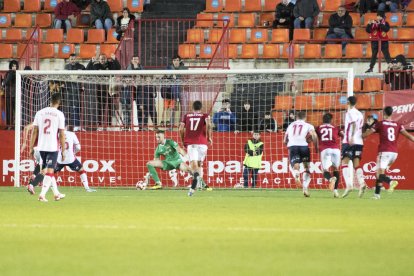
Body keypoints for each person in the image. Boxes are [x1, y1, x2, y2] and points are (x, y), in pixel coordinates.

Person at [363, 106, 414, 199]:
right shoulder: (398, 124)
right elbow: (409, 136)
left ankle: (391, 182)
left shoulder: (380, 123)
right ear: (392, 113)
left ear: (384, 113)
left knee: (379, 174)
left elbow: (367, 134)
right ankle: (377, 195)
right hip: (394, 153)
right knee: (380, 173)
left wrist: (361, 133)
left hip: (384, 151)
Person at [29, 93, 66, 202]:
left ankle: (56, 194)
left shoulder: (40, 112)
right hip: (52, 147)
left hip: (41, 147)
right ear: (59, 102)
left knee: (47, 171)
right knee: (49, 171)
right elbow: (62, 134)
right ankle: (41, 195)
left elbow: (34, 131)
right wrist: (63, 151)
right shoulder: (59, 114)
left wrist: (31, 147)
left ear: (50, 100)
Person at [179, 101, 213, 196]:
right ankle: (200, 184)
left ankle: (193, 186)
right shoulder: (205, 115)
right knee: (199, 164)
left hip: (191, 143)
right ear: (201, 108)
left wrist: (182, 141)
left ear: (192, 107)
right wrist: (209, 137)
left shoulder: (186, 116)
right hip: (203, 144)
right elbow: (209, 125)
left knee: (193, 166)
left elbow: (180, 129)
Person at [284, 111, 318, 197]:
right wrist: (316, 146)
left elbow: (285, 140)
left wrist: (289, 144)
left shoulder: (290, 125)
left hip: (293, 147)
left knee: (295, 165)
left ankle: (296, 174)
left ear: (296, 117)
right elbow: (314, 135)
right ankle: (305, 187)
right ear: (305, 118)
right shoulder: (308, 125)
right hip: (304, 147)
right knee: (307, 168)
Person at [55, 125, 96, 192]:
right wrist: (74, 152)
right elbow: (78, 147)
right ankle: (87, 188)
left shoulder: (58, 133)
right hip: (70, 158)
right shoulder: (72, 134)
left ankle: (46, 186)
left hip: (59, 158)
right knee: (81, 170)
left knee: (50, 173)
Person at [341, 96, 367, 198]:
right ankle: (362, 182)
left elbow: (353, 125)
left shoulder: (350, 113)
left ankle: (349, 185)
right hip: (359, 142)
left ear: (348, 102)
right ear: (355, 103)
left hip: (349, 141)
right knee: (356, 164)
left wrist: (351, 136)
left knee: (344, 162)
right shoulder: (360, 114)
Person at [86, 53, 121, 129]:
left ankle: (109, 124)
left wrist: (115, 59)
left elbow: (118, 68)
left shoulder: (110, 64)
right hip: (99, 89)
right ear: (99, 59)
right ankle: (99, 124)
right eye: (101, 59)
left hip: (109, 89)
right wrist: (91, 61)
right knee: (100, 108)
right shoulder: (96, 65)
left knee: (109, 107)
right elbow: (87, 70)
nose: (103, 60)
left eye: (104, 59)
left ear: (106, 59)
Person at [316, 113, 343, 198]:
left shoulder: (318, 128)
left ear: (322, 120)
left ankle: (331, 179)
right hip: (336, 149)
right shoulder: (335, 127)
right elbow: (344, 135)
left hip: (325, 149)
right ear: (331, 120)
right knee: (336, 169)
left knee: (325, 170)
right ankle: (335, 191)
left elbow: (311, 137)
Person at [64, 54, 85, 131]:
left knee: (77, 107)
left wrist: (82, 85)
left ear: (76, 59)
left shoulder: (81, 66)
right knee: (70, 107)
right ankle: (69, 125)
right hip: (68, 90)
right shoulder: (66, 67)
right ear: (69, 60)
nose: (73, 60)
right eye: (71, 59)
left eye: (74, 59)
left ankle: (77, 125)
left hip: (78, 90)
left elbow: (85, 76)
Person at [121, 56, 143, 129]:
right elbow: (125, 77)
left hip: (139, 91)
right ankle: (127, 125)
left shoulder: (141, 68)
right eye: (134, 59)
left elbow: (142, 76)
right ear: (131, 60)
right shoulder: (129, 67)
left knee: (140, 109)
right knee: (127, 109)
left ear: (139, 60)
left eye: (136, 59)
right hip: (130, 91)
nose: (135, 60)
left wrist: (137, 68)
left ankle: (140, 126)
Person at [2, 60, 18, 130]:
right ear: (10, 66)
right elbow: (5, 82)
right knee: (9, 111)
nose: (14, 67)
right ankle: (9, 125)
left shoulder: (17, 73)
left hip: (14, 95)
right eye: (13, 66)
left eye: (15, 66)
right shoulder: (8, 73)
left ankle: (14, 125)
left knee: (15, 111)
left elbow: (6, 82)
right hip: (9, 95)